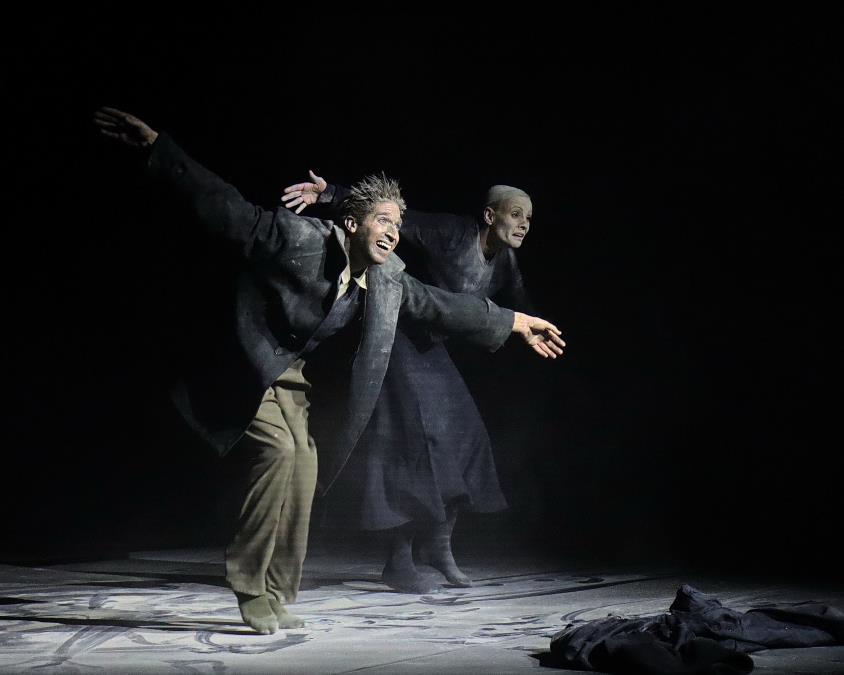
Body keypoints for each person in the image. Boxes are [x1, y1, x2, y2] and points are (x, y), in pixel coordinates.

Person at [93, 107, 565, 634]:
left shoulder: (388, 278)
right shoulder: (298, 238)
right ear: (352, 224)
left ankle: (279, 591)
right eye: (383, 221)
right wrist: (159, 148)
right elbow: (225, 208)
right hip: (244, 361)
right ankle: (249, 583)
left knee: (306, 465)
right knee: (280, 453)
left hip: (291, 375)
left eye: (397, 224)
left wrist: (513, 320)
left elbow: (439, 305)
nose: (393, 233)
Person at [281, 172, 542, 593]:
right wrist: (330, 194)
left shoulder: (506, 261)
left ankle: (438, 546)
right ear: (489, 216)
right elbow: (394, 219)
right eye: (516, 214)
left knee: (466, 434)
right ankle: (398, 559)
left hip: (428, 345)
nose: (524, 224)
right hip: (395, 333)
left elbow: (521, 303)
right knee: (409, 442)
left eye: (529, 218)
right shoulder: (452, 233)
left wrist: (536, 328)